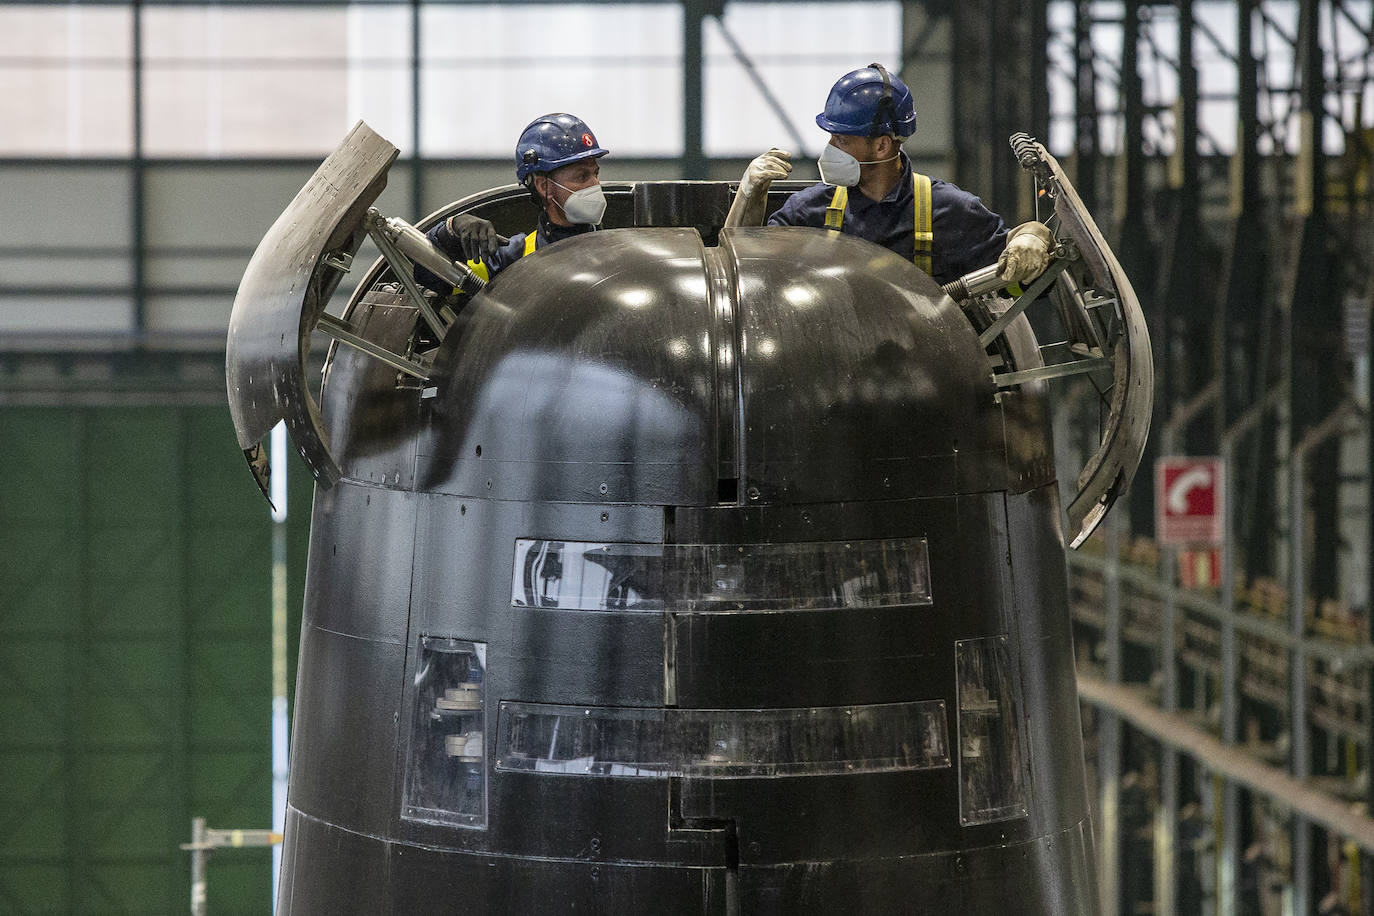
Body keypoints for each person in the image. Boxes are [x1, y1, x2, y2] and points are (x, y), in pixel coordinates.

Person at [724, 63, 1052, 288]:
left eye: (842, 140)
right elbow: (745, 274)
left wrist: (1033, 236)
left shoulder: (950, 212)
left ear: (882, 145)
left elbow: (1019, 271)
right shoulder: (809, 212)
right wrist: (749, 194)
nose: (830, 149)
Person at [415, 112, 609, 294]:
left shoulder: (617, 251)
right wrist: (449, 232)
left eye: (596, 174)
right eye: (582, 176)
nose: (595, 185)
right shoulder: (511, 260)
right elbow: (430, 278)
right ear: (543, 186)